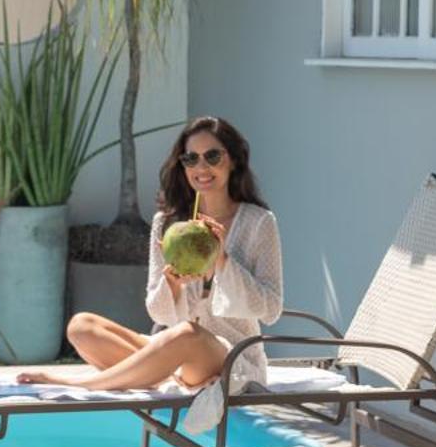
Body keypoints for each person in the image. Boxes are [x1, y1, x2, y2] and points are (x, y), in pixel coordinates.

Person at [18, 116, 282, 407]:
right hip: (176, 352)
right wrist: (172, 284)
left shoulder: (259, 223)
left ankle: (78, 384)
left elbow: (270, 309)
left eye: (212, 156)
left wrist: (222, 260)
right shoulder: (167, 224)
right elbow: (159, 315)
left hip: (230, 361)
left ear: (233, 160)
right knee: (81, 326)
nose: (201, 167)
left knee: (187, 334)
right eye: (191, 158)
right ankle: (160, 373)